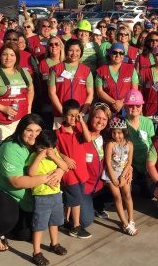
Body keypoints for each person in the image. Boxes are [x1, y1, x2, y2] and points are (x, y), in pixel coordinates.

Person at [0, 114, 64, 252]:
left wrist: (60, 170)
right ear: (21, 130)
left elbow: (60, 159)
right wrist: (47, 178)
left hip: (26, 196)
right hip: (0, 189)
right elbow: (16, 182)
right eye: (29, 130)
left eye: (38, 131)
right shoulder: (11, 148)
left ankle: (13, 220)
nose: (34, 135)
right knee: (6, 221)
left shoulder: (43, 144)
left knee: (27, 235)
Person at [0, 44, 34, 162]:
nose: (8, 58)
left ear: (17, 57)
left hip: (19, 121)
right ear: (0, 56)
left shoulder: (23, 73)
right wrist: (4, 108)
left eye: (12, 55)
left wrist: (28, 108)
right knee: (0, 157)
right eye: (5, 54)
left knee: (17, 155)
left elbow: (30, 89)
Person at [27, 131, 69, 265]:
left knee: (54, 222)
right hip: (41, 196)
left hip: (56, 194)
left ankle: (54, 243)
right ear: (37, 146)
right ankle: (36, 252)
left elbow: (65, 167)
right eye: (42, 149)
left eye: (48, 149)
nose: (45, 152)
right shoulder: (34, 156)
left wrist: (54, 157)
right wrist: (39, 157)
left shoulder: (54, 154)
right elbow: (31, 173)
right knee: (39, 225)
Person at [55, 99, 93, 239]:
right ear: (64, 115)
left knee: (71, 199)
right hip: (69, 173)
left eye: (76, 115)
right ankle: (76, 227)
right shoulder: (58, 133)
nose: (73, 118)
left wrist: (82, 122)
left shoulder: (79, 129)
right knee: (75, 200)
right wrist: (64, 158)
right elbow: (53, 151)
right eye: (70, 115)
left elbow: (88, 139)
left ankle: (65, 221)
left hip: (81, 172)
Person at [102, 117, 138, 235]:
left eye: (119, 133)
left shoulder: (130, 144)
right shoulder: (110, 144)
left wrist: (123, 176)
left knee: (127, 194)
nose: (117, 135)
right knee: (117, 197)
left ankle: (131, 219)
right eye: (114, 132)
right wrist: (113, 178)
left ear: (124, 132)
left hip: (123, 173)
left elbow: (129, 161)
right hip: (111, 174)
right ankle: (124, 223)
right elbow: (107, 162)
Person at [81, 103, 113, 227]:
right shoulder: (82, 136)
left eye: (104, 119)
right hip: (85, 187)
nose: (101, 121)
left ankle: (98, 206)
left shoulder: (107, 138)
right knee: (85, 221)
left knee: (124, 188)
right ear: (91, 117)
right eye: (97, 117)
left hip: (100, 185)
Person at [48, 39, 94, 117]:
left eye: (77, 51)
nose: (74, 53)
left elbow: (90, 94)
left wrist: (82, 113)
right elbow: (51, 93)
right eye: (71, 50)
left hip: (80, 115)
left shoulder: (87, 70)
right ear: (66, 51)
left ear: (81, 52)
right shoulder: (55, 69)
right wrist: (63, 112)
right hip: (60, 115)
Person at [123, 89, 154, 194]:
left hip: (146, 162)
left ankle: (141, 181)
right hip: (129, 164)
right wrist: (127, 167)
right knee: (126, 191)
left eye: (138, 105)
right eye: (131, 105)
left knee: (149, 194)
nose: (135, 108)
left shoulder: (148, 122)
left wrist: (151, 165)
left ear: (142, 106)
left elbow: (152, 145)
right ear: (125, 107)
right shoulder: (121, 123)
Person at [95, 42, 139, 116]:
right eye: (115, 52)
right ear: (110, 54)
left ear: (124, 55)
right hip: (107, 110)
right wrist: (114, 103)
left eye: (121, 53)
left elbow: (134, 90)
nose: (118, 55)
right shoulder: (101, 70)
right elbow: (100, 91)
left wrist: (122, 102)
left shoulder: (131, 69)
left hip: (126, 109)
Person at [36, 36, 64, 127]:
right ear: (48, 47)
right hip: (47, 104)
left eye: (56, 44)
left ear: (61, 47)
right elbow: (39, 84)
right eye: (51, 44)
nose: (54, 46)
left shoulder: (66, 63)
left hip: (63, 104)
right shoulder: (43, 63)